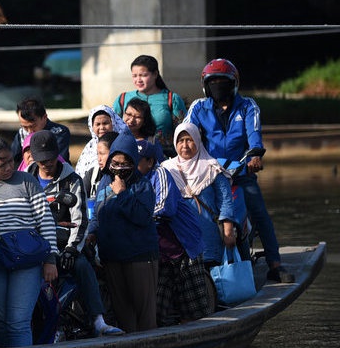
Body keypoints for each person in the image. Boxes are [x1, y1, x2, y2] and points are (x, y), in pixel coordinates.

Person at [183, 58, 291, 283]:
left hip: (240, 174)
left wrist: (254, 156)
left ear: (234, 83)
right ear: (205, 84)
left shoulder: (248, 106)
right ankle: (195, 268)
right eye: (214, 81)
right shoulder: (198, 107)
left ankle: (275, 264)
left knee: (260, 214)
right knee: (193, 215)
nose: (218, 85)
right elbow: (187, 133)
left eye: (223, 81)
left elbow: (254, 135)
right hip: (209, 175)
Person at [25, 131, 123, 336]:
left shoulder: (73, 180)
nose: (46, 164)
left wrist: (71, 249)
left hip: (64, 245)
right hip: (33, 246)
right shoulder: (26, 180)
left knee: (81, 266)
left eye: (50, 158)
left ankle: (98, 319)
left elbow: (79, 220)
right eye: (42, 160)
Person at [0, 137, 60, 347]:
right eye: (1, 163)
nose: (8, 166)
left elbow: (45, 220)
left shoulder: (26, 181)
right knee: (2, 322)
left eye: (10, 160)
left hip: (27, 262)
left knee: (18, 323)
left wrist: (50, 259)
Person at [85, 133, 160, 332]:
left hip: (138, 257)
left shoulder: (142, 185)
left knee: (144, 316)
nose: (118, 168)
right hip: (112, 258)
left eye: (124, 163)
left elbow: (142, 216)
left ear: (133, 162)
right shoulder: (104, 182)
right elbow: (97, 215)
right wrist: (92, 233)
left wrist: (123, 193)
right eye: (115, 162)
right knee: (124, 315)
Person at [135, 140, 211, 326]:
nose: (132, 165)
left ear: (150, 162)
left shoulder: (160, 173)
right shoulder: (131, 180)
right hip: (160, 254)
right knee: (157, 309)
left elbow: (165, 208)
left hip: (184, 248)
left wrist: (135, 217)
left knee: (193, 310)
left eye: (137, 161)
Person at [162, 123, 238, 275]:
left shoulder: (211, 167)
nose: (185, 145)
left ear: (197, 140)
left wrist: (228, 230)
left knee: (211, 276)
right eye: (180, 140)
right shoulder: (166, 169)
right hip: (179, 237)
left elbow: (225, 199)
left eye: (189, 140)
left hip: (207, 234)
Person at [113, 54, 187, 156]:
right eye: (134, 76)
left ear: (155, 74)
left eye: (143, 75)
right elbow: (114, 129)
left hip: (164, 157)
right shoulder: (122, 99)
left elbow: (183, 132)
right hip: (129, 156)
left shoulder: (172, 99)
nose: (138, 80)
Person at [11, 96, 71, 168]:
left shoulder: (59, 132)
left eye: (33, 126)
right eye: (25, 127)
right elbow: (13, 158)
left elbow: (58, 161)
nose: (29, 132)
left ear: (44, 117)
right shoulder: (21, 133)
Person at [74, 105, 131, 179]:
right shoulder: (89, 147)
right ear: (91, 126)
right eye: (97, 124)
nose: (102, 128)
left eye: (105, 123)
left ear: (113, 123)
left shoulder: (123, 144)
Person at [122, 97, 165, 162]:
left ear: (144, 121)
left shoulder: (151, 141)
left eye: (138, 117)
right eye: (129, 114)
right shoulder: (117, 136)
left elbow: (159, 163)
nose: (131, 120)